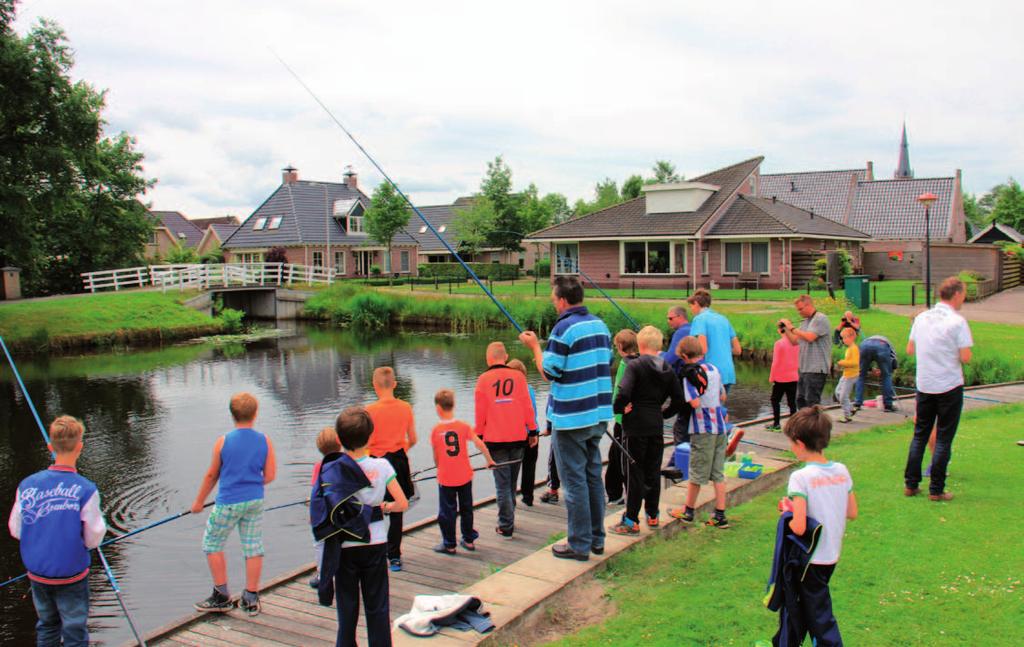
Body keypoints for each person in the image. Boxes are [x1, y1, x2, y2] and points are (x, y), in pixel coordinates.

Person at [520, 275, 614, 561]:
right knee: (592, 477)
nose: (553, 303)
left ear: (562, 300)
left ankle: (579, 544)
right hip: (598, 414)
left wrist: (535, 347)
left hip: (572, 417)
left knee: (573, 482)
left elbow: (551, 372)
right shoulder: (600, 325)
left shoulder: (563, 328)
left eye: (553, 299)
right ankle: (597, 539)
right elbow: (606, 363)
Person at [8, 416, 106, 647]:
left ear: (50, 447)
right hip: (72, 575)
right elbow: (94, 535)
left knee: (47, 625)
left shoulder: (27, 484)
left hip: (38, 573)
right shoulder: (86, 489)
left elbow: (16, 528)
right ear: (80, 446)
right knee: (74, 628)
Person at [777, 406, 858, 647]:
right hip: (831, 554)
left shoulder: (801, 477)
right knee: (799, 603)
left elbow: (800, 527)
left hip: (810, 559)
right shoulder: (841, 471)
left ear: (800, 443)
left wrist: (788, 512)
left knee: (819, 614)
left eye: (791, 443)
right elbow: (852, 512)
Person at [191, 392, 277, 615]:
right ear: (255, 413)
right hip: (255, 500)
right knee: (253, 546)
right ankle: (251, 597)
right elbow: (269, 476)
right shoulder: (264, 440)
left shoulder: (224, 441)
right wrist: (250, 481)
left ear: (232, 414)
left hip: (228, 502)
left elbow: (212, 475)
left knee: (212, 543)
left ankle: (221, 595)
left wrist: (199, 502)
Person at [333, 406, 409, 647]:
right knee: (377, 605)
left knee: (347, 606)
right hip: (375, 543)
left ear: (339, 439)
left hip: (344, 545)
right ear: (370, 438)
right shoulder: (382, 467)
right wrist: (382, 508)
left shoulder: (333, 469)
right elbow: (402, 504)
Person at [609, 326, 685, 535]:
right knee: (652, 470)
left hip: (634, 426)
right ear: (660, 345)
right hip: (655, 425)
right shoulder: (666, 368)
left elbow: (623, 392)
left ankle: (631, 519)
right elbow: (679, 399)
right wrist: (664, 413)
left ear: (640, 345)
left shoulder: (635, 366)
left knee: (634, 471)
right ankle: (652, 515)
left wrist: (619, 409)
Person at [904, 277, 973, 502]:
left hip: (925, 383)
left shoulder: (922, 317)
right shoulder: (957, 321)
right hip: (948, 385)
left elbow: (910, 348)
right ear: (956, 295)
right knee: (943, 437)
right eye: (963, 294)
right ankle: (936, 489)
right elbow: (966, 357)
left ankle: (911, 484)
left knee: (920, 435)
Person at [475, 342, 538, 539]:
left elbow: (480, 413)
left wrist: (479, 436)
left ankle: (506, 525)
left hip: (495, 440)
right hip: (518, 438)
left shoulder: (483, 380)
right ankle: (510, 517)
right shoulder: (519, 377)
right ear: (506, 356)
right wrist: (533, 431)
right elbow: (528, 407)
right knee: (511, 481)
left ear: (488, 358)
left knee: (502, 484)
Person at [668, 337, 730, 528]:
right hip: (720, 427)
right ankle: (720, 515)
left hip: (703, 428)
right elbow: (723, 396)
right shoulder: (714, 369)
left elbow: (694, 402)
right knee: (718, 473)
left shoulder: (689, 375)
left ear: (685, 356)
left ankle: (688, 511)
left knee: (696, 472)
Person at [431, 389, 495, 554]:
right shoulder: (463, 426)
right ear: (453, 405)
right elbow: (479, 443)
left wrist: (440, 469)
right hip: (465, 475)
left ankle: (449, 543)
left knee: (447, 512)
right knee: (466, 508)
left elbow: (436, 456)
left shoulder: (436, 431)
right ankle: (468, 539)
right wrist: (489, 460)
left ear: (438, 408)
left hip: (446, 478)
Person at [366, 367, 417, 572]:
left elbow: (366, 443)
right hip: (398, 461)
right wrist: (401, 448)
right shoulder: (405, 407)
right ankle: (394, 556)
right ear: (395, 384)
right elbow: (413, 439)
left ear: (374, 385)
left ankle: (374, 550)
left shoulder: (370, 411)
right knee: (398, 509)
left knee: (373, 507)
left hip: (376, 463)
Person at [606, 329, 640, 505]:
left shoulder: (625, 365)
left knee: (617, 458)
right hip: (635, 419)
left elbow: (620, 390)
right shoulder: (642, 362)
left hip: (622, 420)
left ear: (620, 346)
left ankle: (616, 494)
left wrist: (614, 409)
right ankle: (621, 493)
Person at [781, 295, 832, 408]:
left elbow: (810, 337)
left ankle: (816, 425)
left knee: (812, 402)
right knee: (800, 400)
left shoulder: (820, 318)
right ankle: (805, 425)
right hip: (804, 368)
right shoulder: (805, 322)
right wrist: (785, 329)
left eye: (800, 309)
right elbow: (795, 341)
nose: (799, 312)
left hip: (816, 368)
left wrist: (792, 328)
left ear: (808, 305)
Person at [687, 289, 741, 392]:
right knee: (719, 407)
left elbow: (703, 349)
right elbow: (738, 350)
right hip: (728, 372)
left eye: (691, 306)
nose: (691, 310)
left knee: (707, 407)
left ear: (697, 303)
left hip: (712, 373)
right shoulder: (723, 319)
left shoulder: (699, 319)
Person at [309, 426, 343, 590]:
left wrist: (312, 514)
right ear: (340, 444)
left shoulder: (319, 466)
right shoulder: (346, 463)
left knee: (320, 544)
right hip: (341, 512)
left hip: (323, 513)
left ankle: (323, 575)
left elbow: (316, 492)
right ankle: (342, 574)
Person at [509, 359, 540, 506]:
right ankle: (528, 497)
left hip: (517, 435)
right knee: (529, 466)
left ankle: (511, 499)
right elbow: (533, 412)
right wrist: (534, 432)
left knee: (512, 469)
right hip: (532, 433)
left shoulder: (509, 393)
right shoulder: (530, 389)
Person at [853, 335, 898, 413]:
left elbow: (861, 363)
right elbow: (894, 363)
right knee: (886, 376)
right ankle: (888, 405)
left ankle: (857, 403)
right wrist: (887, 371)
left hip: (864, 346)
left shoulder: (866, 341)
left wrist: (870, 369)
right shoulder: (889, 345)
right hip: (882, 347)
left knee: (861, 375)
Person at [767, 323, 799, 431]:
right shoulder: (796, 343)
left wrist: (772, 377)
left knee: (775, 400)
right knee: (792, 402)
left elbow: (775, 362)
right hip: (793, 376)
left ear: (780, 330)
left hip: (780, 377)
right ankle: (794, 425)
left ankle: (776, 423)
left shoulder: (779, 344)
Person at [834, 327, 860, 423]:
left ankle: (847, 416)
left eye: (845, 338)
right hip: (846, 374)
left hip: (851, 376)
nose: (844, 340)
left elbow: (855, 363)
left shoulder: (854, 349)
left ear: (852, 337)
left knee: (843, 396)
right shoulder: (849, 349)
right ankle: (851, 408)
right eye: (843, 338)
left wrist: (843, 363)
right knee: (837, 392)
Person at [661, 305, 691, 373]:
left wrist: (659, 354)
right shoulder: (692, 328)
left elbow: (669, 359)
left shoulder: (681, 332)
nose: (668, 321)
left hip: (686, 373)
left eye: (670, 318)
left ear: (680, 317)